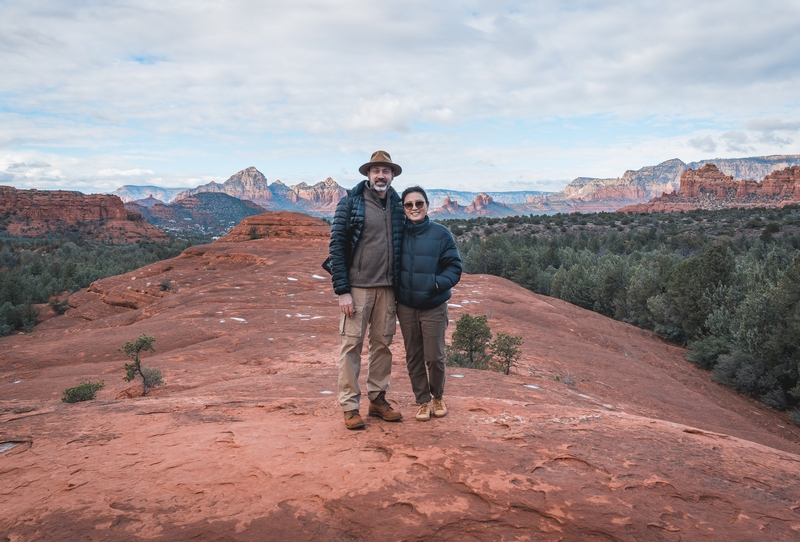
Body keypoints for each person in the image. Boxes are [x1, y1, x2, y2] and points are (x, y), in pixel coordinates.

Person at [328, 150, 406, 430]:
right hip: (357, 289)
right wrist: (342, 291)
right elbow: (336, 247)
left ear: (393, 175)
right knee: (351, 346)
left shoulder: (399, 206)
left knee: (382, 346)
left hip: (387, 289)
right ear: (368, 174)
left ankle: (377, 399)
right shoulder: (351, 203)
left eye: (386, 171)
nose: (381, 175)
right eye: (376, 171)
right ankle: (350, 406)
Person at [396, 186, 462, 422]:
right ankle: (422, 401)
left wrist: (436, 283)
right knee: (413, 356)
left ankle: (438, 396)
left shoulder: (441, 234)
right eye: (409, 204)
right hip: (406, 306)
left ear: (427, 205)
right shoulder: (398, 234)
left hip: (433, 305)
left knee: (434, 356)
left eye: (419, 203)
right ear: (403, 208)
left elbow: (455, 267)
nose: (414, 208)